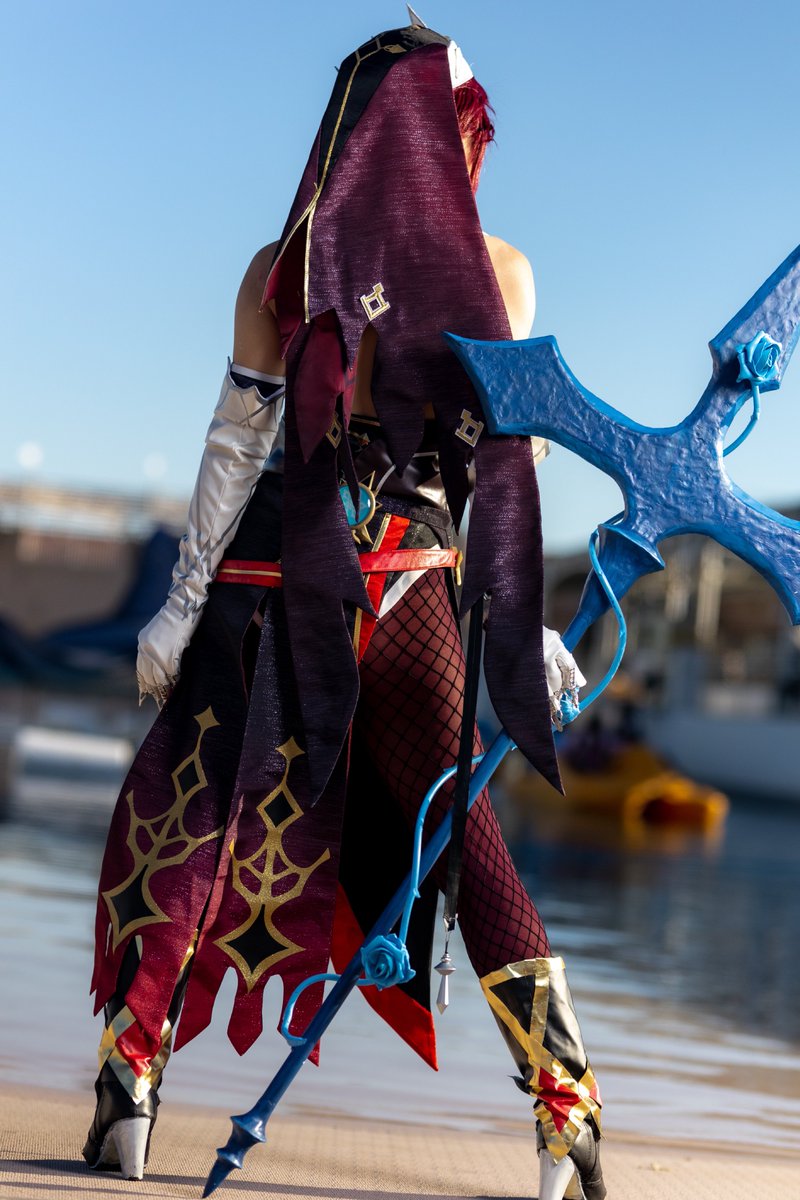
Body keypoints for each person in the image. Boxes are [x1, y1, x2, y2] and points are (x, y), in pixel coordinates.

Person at [83, 16, 605, 1200]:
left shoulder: (279, 269)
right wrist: (521, 621)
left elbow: (234, 451)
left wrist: (177, 606)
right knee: (457, 838)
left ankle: (130, 1079)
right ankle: (564, 1109)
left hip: (267, 575)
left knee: (195, 822)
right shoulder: (501, 270)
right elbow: (502, 470)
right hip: (409, 580)